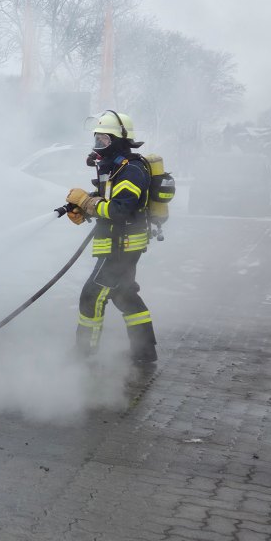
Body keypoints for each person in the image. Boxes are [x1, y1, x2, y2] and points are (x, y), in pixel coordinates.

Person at [62, 110, 157, 370]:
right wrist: (84, 208)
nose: (98, 146)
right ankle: (145, 351)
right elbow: (106, 200)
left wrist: (88, 203)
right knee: (125, 295)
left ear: (119, 140)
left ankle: (84, 354)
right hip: (118, 243)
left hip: (121, 246)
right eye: (97, 139)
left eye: (104, 140)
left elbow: (118, 210)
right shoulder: (116, 169)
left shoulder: (132, 171)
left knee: (91, 296)